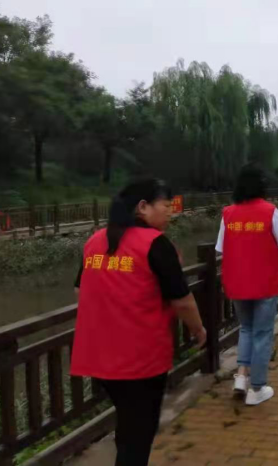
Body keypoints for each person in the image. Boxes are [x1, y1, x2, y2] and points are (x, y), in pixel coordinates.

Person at [71, 179, 206, 466]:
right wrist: (198, 328)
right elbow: (182, 300)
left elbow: (79, 291)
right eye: (165, 205)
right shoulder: (155, 243)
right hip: (139, 358)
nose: (170, 212)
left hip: (98, 354)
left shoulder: (95, 240)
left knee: (129, 423)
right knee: (139, 433)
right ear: (143, 207)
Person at [216, 164, 278, 406]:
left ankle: (241, 377)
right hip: (265, 283)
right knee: (262, 333)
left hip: (238, 283)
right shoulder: (270, 211)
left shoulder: (228, 213)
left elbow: (220, 249)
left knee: (246, 329)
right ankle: (257, 388)